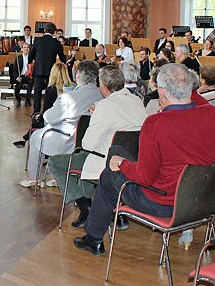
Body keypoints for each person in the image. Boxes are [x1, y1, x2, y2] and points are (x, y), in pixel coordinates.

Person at [73, 64, 215, 255]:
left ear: (162, 91)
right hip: (201, 197)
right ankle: (114, 213)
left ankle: (93, 238)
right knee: (116, 150)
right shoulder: (214, 114)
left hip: (162, 202)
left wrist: (122, 164)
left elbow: (145, 178)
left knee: (109, 174)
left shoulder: (156, 123)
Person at [47, 65, 147, 227]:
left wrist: (96, 115)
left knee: (56, 163)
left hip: (105, 161)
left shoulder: (104, 106)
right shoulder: (136, 101)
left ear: (103, 87)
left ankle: (85, 205)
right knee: (85, 158)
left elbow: (88, 144)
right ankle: (111, 208)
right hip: (132, 161)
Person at [20, 61, 103, 188]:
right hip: (91, 141)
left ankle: (34, 178)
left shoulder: (68, 97)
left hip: (66, 140)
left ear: (79, 75)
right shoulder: (101, 94)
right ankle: (57, 177)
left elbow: (50, 118)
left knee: (36, 136)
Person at [28, 22, 67, 113]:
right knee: (50, 91)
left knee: (37, 91)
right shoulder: (56, 42)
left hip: (38, 69)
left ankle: (36, 112)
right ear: (54, 32)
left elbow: (30, 56)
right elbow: (62, 58)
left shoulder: (37, 40)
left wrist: (31, 62)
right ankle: (48, 111)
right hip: (51, 71)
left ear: (44, 31)